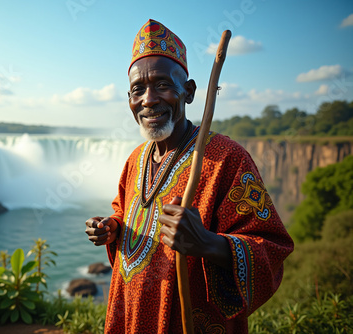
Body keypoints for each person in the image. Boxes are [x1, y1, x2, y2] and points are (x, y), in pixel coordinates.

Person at [84, 19, 294, 333]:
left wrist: (207, 243)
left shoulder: (226, 158)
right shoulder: (135, 159)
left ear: (189, 91)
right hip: (131, 315)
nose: (149, 99)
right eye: (137, 90)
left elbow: (272, 248)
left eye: (162, 85)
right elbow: (124, 211)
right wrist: (112, 228)